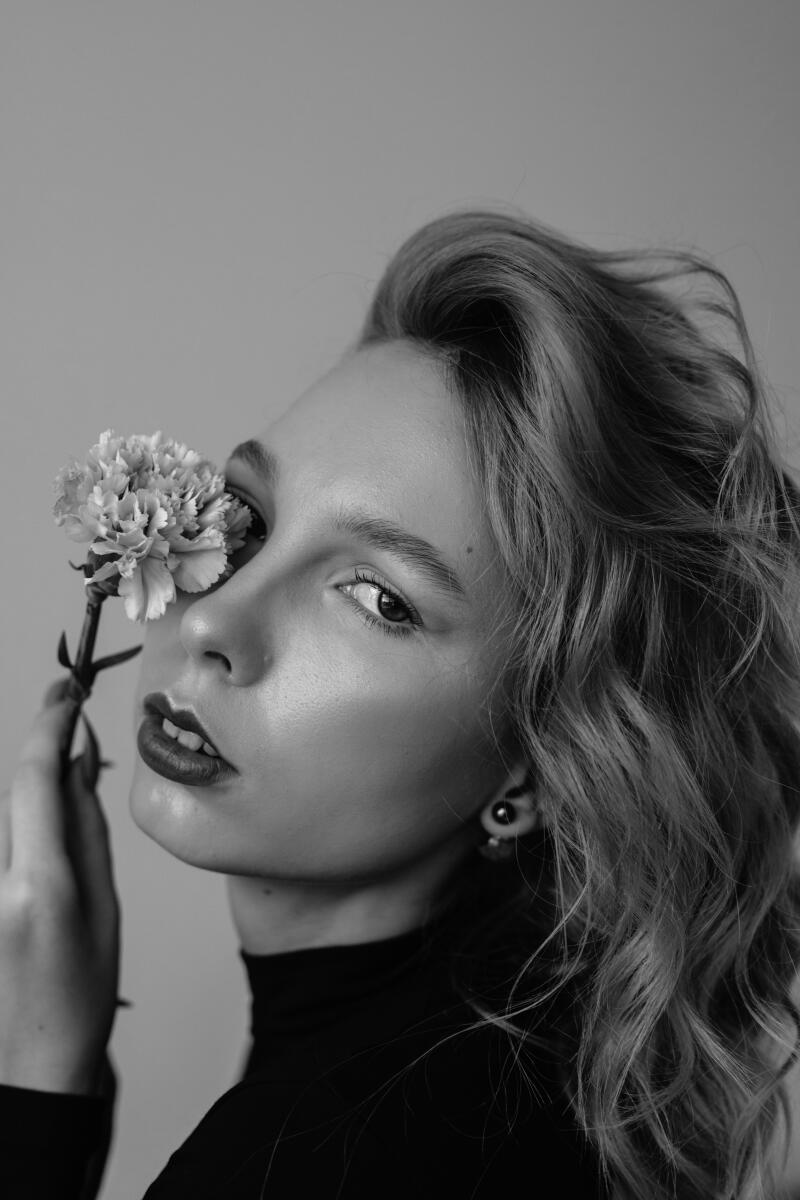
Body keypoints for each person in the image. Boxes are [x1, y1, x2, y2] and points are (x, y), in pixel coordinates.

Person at [1, 207, 799, 1200]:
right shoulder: (508, 1078)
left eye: (380, 599)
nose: (215, 619)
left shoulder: (319, 1161)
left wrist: (40, 1082)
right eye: (246, 516)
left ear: (541, 758)